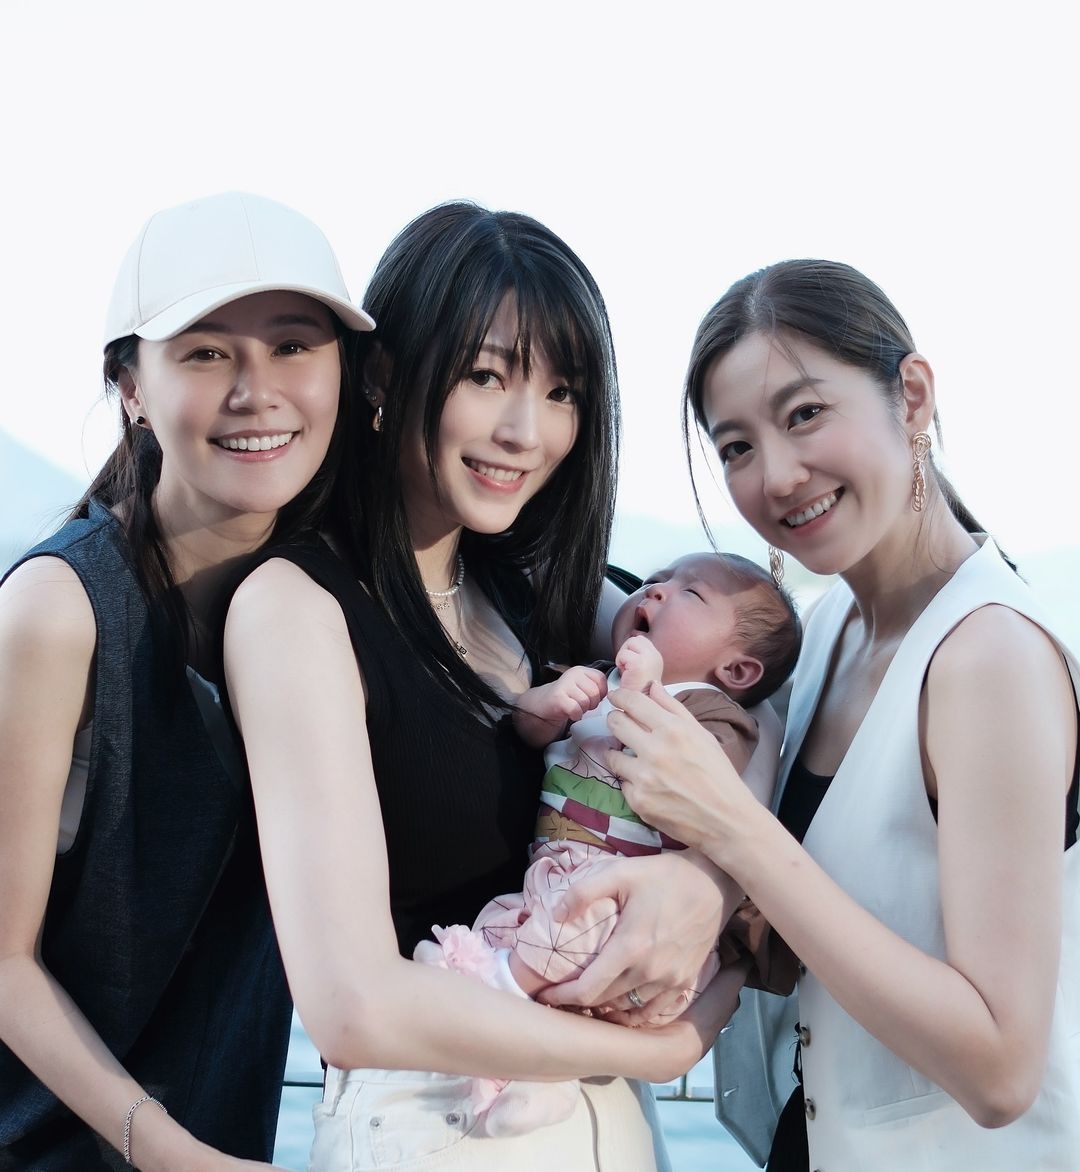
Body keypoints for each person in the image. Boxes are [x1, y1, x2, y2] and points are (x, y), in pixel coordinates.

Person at [222, 202, 747, 1172]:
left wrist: (704, 880)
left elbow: (737, 702)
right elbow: (351, 1004)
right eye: (486, 376)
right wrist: (672, 1045)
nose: (525, 431)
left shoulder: (533, 588)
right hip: (436, 1126)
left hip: (605, 1128)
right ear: (384, 376)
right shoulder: (296, 607)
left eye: (561, 391)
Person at [586, 259, 1080, 1170]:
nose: (776, 476)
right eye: (736, 447)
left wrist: (732, 828)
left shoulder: (990, 660)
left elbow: (1003, 1069)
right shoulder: (830, 631)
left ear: (912, 397)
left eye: (805, 413)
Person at [0, 191, 374, 1170]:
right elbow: (2, 962)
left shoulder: (331, 589)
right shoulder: (59, 607)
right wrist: (168, 1149)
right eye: (206, 353)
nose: (257, 391)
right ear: (131, 385)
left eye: (293, 346)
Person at [414, 550, 801, 1137]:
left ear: (738, 670)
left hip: (624, 905)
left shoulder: (713, 715)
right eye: (654, 581)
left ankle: (495, 1001)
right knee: (507, 921)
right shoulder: (598, 677)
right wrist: (547, 705)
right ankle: (526, 1074)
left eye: (690, 593)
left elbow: (699, 786)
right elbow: (528, 730)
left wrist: (644, 691)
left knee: (564, 939)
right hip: (557, 877)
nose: (655, 591)